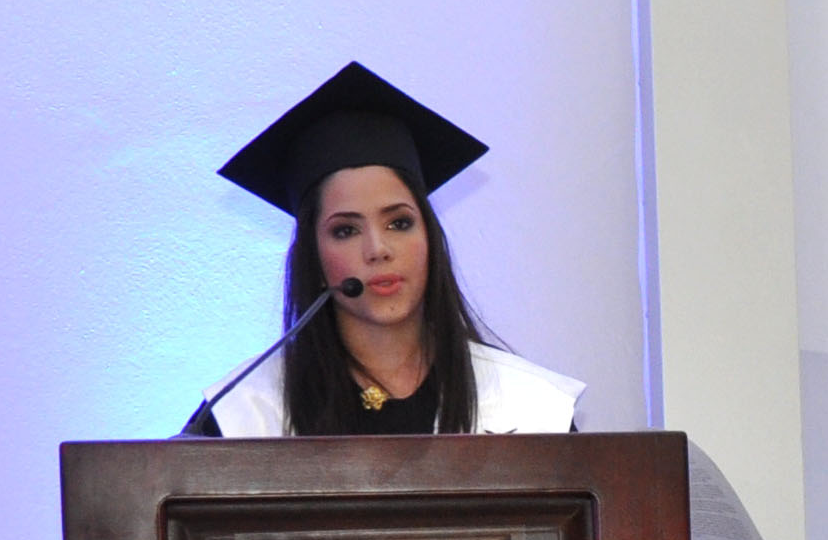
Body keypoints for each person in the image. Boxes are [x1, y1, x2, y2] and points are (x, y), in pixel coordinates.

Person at [189, 62, 583, 436]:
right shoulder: (248, 413)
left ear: (429, 238)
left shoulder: (526, 406)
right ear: (314, 257)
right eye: (345, 230)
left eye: (399, 223)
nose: (377, 250)